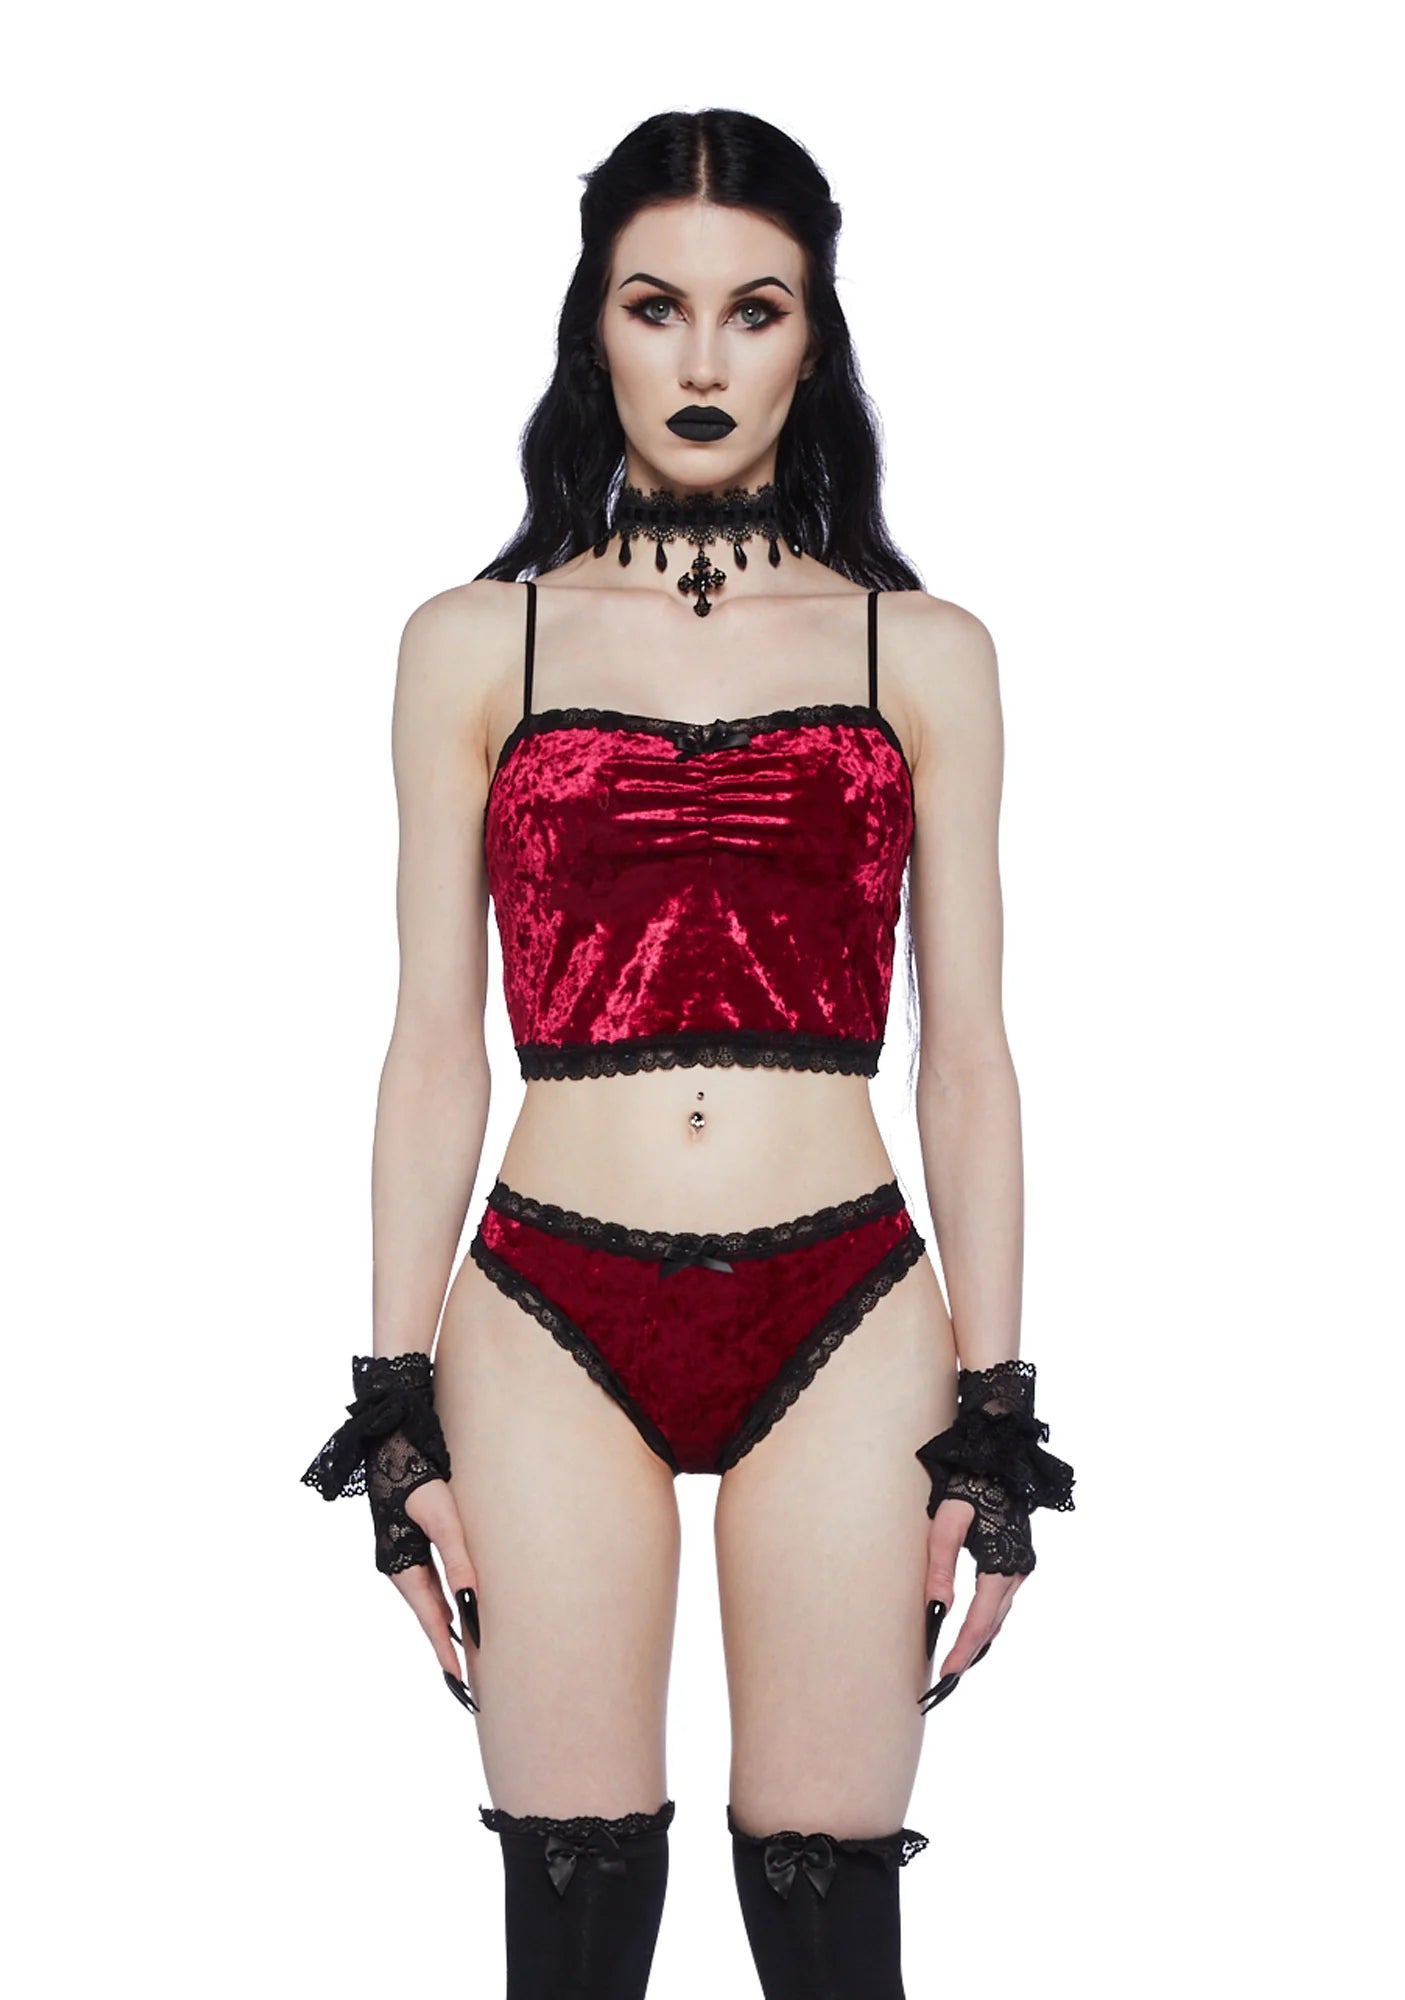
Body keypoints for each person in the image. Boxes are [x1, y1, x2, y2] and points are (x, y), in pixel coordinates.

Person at [301, 107, 1075, 2000]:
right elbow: (430, 1044)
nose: (704, 356)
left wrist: (995, 1409)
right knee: (570, 1935)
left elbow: (968, 1057)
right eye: (657, 306)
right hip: (545, 1305)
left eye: (755, 308)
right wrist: (392, 1398)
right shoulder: (472, 642)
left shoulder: (924, 651)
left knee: (829, 1930)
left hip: (847, 1301)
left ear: (815, 337)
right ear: (597, 328)